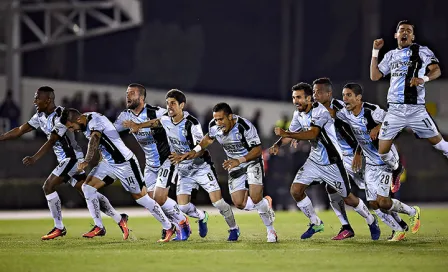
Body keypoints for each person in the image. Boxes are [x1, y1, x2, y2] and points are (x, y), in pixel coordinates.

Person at [0, 86, 128, 240]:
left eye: (37, 98)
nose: (34, 101)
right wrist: (1, 137)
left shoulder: (62, 115)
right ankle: (119, 218)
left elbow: (52, 140)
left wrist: (35, 157)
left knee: (48, 186)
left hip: (72, 158)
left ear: (48, 100)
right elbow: (20, 130)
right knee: (87, 191)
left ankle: (59, 227)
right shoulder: (39, 116)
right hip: (66, 160)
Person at [124, 89, 240, 241]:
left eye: (173, 103)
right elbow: (156, 122)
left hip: (201, 167)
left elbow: (201, 148)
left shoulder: (192, 124)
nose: (169, 106)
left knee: (217, 202)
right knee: (183, 207)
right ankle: (201, 216)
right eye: (167, 103)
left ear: (182, 105)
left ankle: (233, 228)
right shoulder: (166, 118)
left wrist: (184, 156)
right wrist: (140, 126)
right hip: (183, 168)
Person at [270, 82, 381, 240]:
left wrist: (289, 133)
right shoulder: (298, 114)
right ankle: (316, 222)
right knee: (296, 190)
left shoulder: (320, 111)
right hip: (314, 160)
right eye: (294, 97)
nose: (295, 101)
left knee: (348, 198)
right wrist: (278, 144)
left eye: (299, 97)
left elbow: (313, 134)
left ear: (308, 98)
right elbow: (291, 134)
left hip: (332, 162)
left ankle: (371, 220)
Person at [59, 108, 176, 242]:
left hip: (125, 163)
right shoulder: (85, 120)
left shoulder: (94, 120)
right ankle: (101, 225)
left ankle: (168, 226)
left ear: (78, 120)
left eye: (71, 127)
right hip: (109, 163)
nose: (72, 130)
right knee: (87, 188)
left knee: (142, 198)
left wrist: (87, 160)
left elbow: (95, 138)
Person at [171, 102, 277, 242]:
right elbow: (206, 141)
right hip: (234, 165)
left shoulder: (244, 126)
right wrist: (190, 153)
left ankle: (271, 231)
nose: (218, 123)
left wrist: (239, 160)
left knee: (256, 197)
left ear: (230, 117)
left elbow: (257, 150)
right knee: (239, 203)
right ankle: (265, 203)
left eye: (221, 119)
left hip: (251, 161)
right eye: (216, 119)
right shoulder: (214, 127)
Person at [336, 83, 420, 241]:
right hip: (370, 163)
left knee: (382, 201)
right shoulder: (345, 114)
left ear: (358, 98)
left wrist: (379, 127)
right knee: (374, 204)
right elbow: (360, 136)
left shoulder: (372, 111)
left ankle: (412, 212)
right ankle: (398, 229)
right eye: (343, 95)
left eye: (348, 95)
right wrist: (358, 153)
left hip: (384, 159)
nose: (345, 99)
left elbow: (396, 122)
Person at [370, 20, 447, 193]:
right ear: (396, 35)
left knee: (441, 145)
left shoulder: (422, 51)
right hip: (395, 110)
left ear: (412, 36)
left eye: (409, 30)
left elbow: (437, 70)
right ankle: (397, 168)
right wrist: (375, 52)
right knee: (382, 153)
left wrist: (423, 79)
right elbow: (375, 76)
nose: (405, 32)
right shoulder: (390, 55)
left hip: (416, 110)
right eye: (402, 30)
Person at [114, 83, 190, 241]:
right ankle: (171, 225)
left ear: (141, 98)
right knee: (150, 200)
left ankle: (182, 221)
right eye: (127, 93)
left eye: (132, 93)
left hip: (167, 160)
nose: (127, 96)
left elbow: (174, 118)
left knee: (160, 198)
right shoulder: (125, 117)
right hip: (150, 164)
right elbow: (111, 133)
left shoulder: (156, 112)